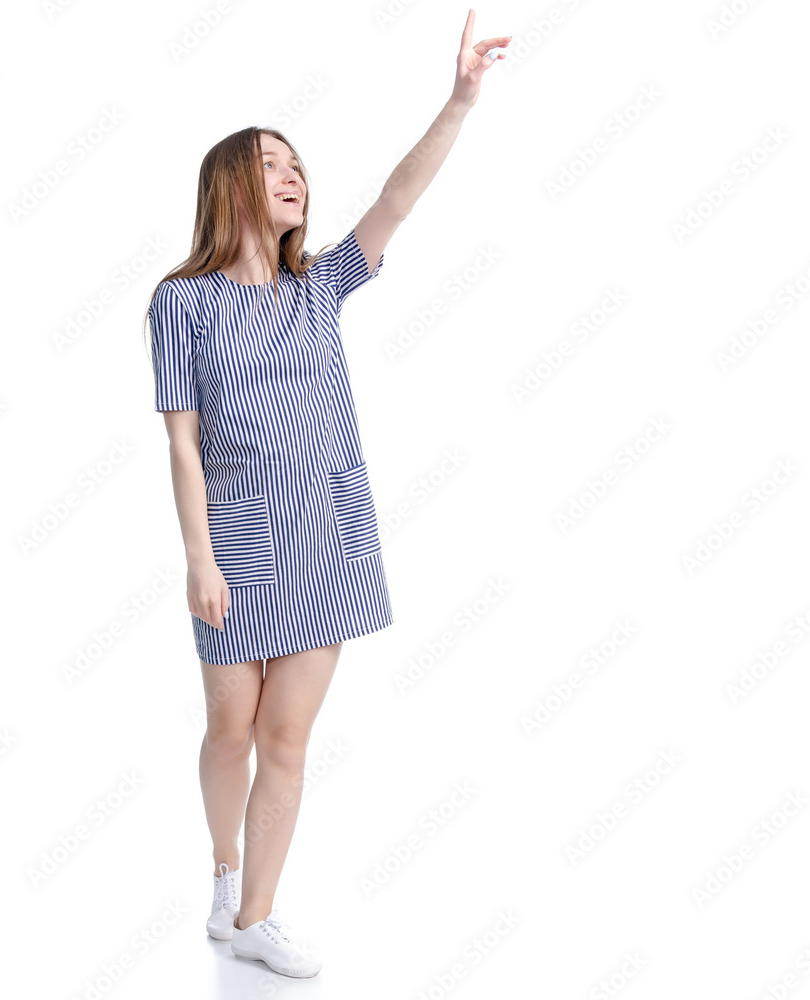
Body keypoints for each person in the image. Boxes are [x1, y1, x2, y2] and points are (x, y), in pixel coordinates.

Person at [144, 10, 509, 978]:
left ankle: (256, 917)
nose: (292, 173)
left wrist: (460, 99)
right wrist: (198, 557)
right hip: (237, 546)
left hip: (330, 541)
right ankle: (224, 869)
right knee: (230, 730)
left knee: (288, 739)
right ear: (231, 185)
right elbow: (181, 440)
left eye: (296, 161)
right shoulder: (180, 302)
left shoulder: (321, 286)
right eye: (271, 163)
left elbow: (396, 195)